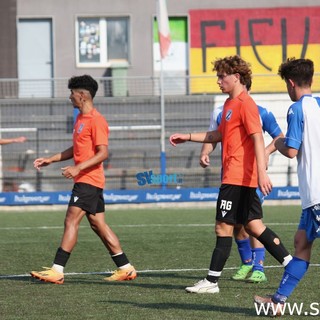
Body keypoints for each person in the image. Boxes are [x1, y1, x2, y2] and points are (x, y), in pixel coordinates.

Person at [169, 55, 292, 294]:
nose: (218, 81)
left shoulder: (246, 104)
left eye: (221, 76)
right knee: (254, 226)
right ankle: (291, 263)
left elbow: (258, 138)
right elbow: (218, 135)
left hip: (237, 178)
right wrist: (188, 136)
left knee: (223, 227)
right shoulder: (228, 105)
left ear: (236, 78)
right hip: (238, 179)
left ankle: (211, 282)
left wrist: (261, 173)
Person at [30, 75, 137, 284]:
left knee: (71, 220)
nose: (69, 97)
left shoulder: (97, 120)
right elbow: (77, 148)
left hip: (89, 179)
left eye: (72, 93)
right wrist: (51, 159)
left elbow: (103, 153)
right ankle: (126, 268)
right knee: (99, 225)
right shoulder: (80, 118)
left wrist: (78, 168)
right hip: (88, 180)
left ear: (82, 95)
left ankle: (57, 270)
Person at [254, 58, 320, 316]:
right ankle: (278, 301)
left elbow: (292, 150)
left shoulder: (297, 108)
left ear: (291, 84)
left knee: (302, 243)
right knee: (301, 241)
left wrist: (276, 144)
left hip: (317, 193)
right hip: (311, 198)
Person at [200, 81, 284, 283]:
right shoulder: (221, 112)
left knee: (251, 222)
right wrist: (204, 152)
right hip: (229, 174)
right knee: (236, 224)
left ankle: (259, 267)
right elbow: (214, 136)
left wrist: (264, 152)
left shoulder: (260, 111)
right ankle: (246, 262)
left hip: (250, 176)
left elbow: (279, 137)